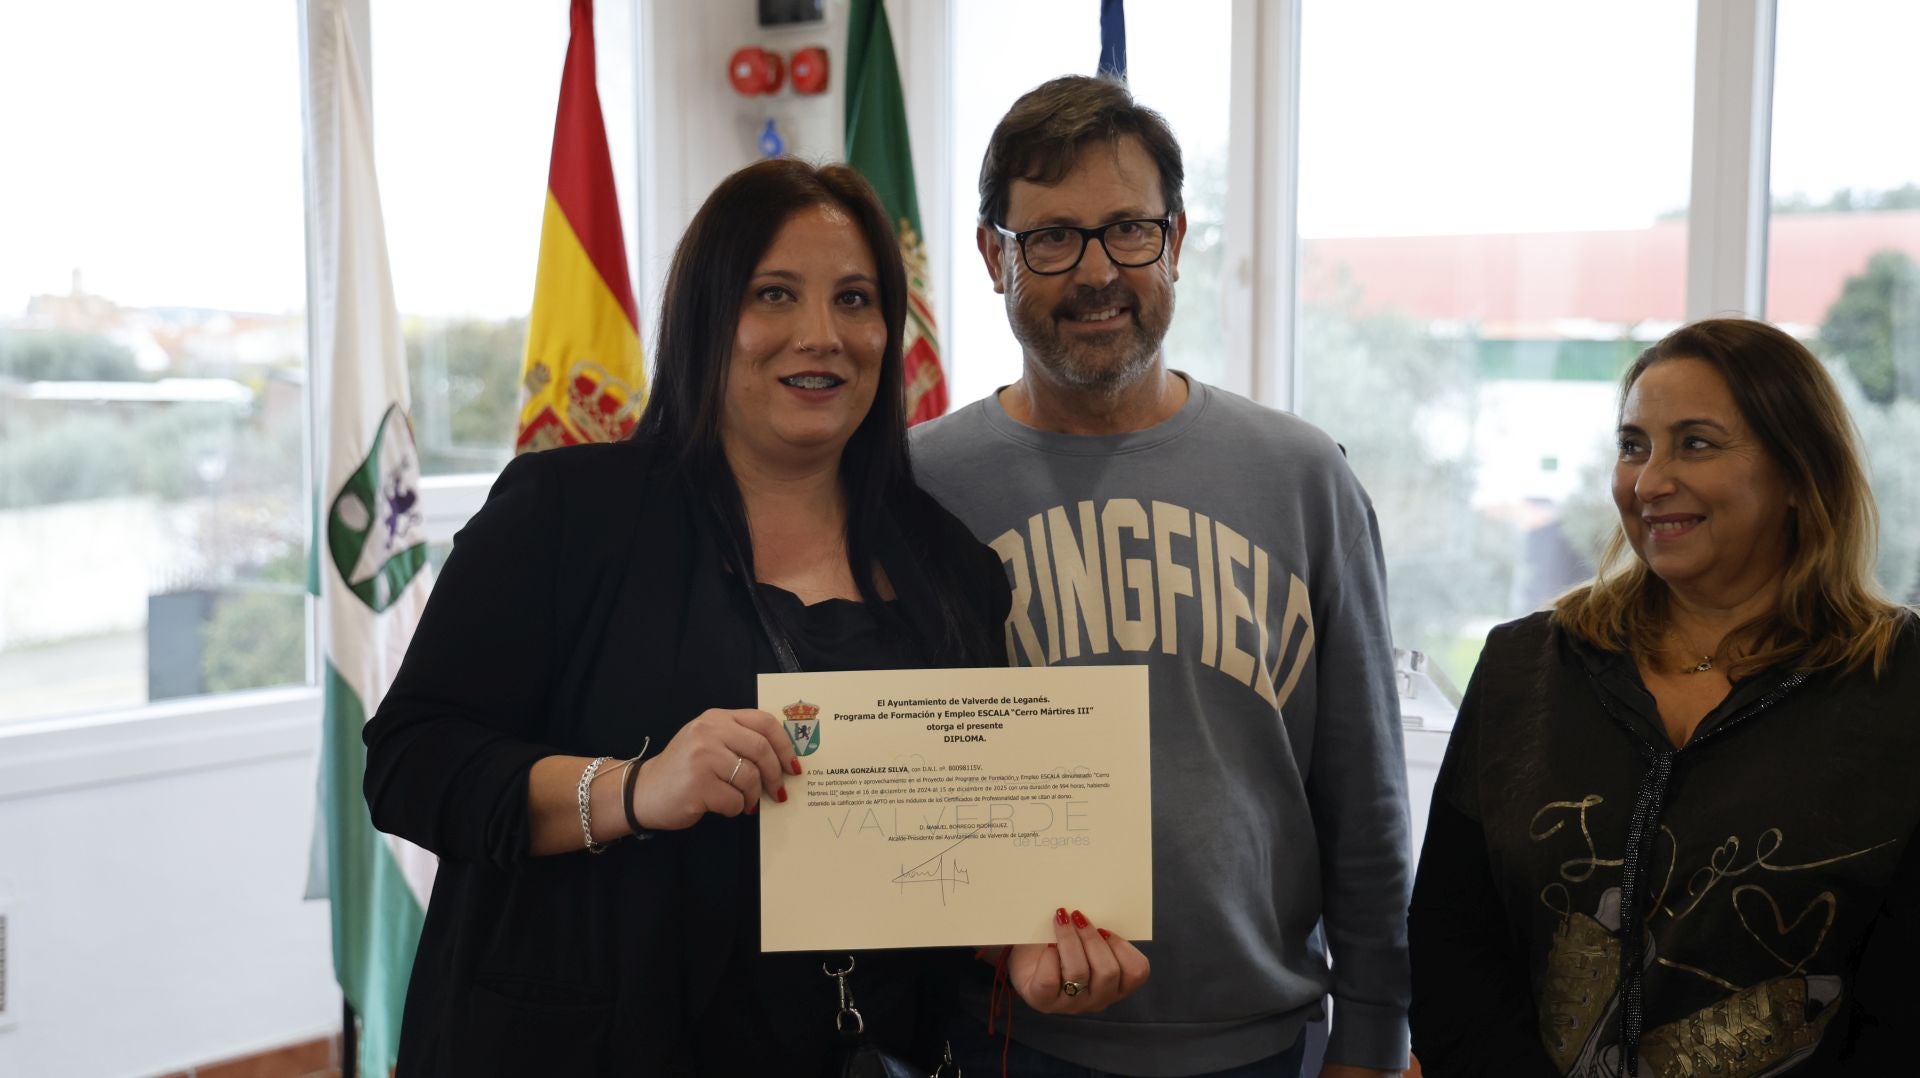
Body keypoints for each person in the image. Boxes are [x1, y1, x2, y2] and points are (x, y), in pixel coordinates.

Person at [363, 159, 1049, 1075]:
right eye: (774, 294)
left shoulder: (952, 569)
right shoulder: (567, 515)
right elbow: (409, 761)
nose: (821, 335)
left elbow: (958, 847)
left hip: (865, 1049)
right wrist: (634, 790)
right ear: (707, 318)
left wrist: (1024, 948)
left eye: (855, 299)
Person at [912, 75, 1412, 1078]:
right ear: (990, 255)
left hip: (1269, 1045)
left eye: (1129, 230)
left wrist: (1372, 1040)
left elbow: (1367, 802)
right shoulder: (916, 485)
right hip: (1006, 1040)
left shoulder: (1303, 476)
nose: (1097, 270)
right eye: (1051, 237)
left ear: (1176, 240)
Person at [1408, 318, 1920, 1077]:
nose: (1647, 483)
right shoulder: (1526, 666)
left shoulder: (1898, 684)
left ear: (1795, 474)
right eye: (1633, 445)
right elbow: (1453, 942)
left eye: (1697, 443)